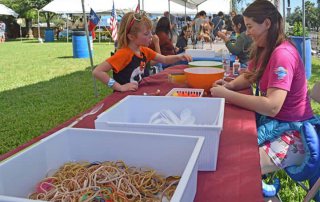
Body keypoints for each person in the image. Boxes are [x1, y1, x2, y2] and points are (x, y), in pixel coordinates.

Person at [210, 0, 314, 182]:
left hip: (294, 134)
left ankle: (258, 190)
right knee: (227, 144)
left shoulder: (283, 54)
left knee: (237, 165)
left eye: (250, 26)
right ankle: (261, 187)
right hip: (277, 123)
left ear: (266, 24)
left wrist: (228, 96)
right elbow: (250, 74)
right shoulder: (266, 48)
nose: (247, 32)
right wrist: (230, 86)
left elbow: (272, 106)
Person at [93, 11, 192, 92]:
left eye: (151, 32)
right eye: (146, 34)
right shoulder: (124, 53)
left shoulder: (144, 51)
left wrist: (179, 57)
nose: (151, 36)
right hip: (123, 98)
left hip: (138, 94)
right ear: (131, 37)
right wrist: (119, 87)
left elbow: (164, 59)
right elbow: (97, 72)